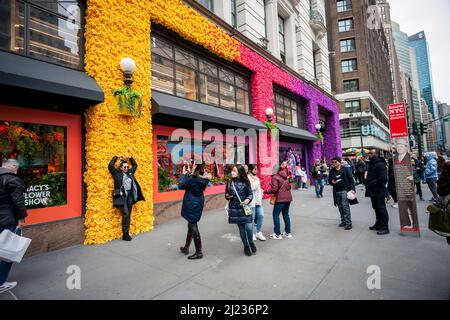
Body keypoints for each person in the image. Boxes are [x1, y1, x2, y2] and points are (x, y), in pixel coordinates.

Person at [0, 159, 28, 293]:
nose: (17, 170)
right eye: (16, 168)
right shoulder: (12, 179)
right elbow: (18, 201)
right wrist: (21, 218)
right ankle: (0, 283)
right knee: (8, 251)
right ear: (12, 167)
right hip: (7, 220)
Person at [108, 155, 145, 241]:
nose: (126, 168)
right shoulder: (116, 174)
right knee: (126, 214)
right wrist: (115, 157)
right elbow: (110, 166)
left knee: (128, 215)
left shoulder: (130, 172)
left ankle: (126, 233)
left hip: (130, 196)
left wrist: (130, 158)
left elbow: (135, 165)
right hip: (121, 196)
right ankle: (125, 234)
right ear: (121, 168)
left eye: (127, 167)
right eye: (124, 167)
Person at [179, 163, 211, 260]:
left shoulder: (193, 180)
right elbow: (191, 181)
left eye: (193, 166)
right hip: (198, 202)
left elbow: (181, 185)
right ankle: (186, 247)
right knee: (191, 224)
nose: (191, 166)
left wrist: (184, 174)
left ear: (196, 168)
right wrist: (190, 174)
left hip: (191, 203)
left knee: (193, 225)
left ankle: (199, 252)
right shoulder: (203, 179)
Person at [225, 164, 255, 256]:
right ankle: (246, 246)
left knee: (249, 228)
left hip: (245, 208)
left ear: (239, 172)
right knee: (241, 230)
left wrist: (247, 200)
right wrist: (227, 196)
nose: (232, 172)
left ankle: (251, 242)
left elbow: (250, 194)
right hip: (235, 209)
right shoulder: (230, 182)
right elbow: (226, 193)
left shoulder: (246, 182)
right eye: (232, 171)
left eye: (234, 171)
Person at [264, 161, 293, 240]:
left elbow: (275, 189)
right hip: (288, 198)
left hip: (280, 199)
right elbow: (289, 187)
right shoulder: (285, 176)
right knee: (286, 214)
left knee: (275, 215)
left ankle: (277, 234)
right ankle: (288, 233)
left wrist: (265, 191)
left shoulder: (275, 177)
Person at [366, 149, 390, 235]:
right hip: (373, 191)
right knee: (376, 208)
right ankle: (379, 224)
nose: (369, 154)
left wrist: (374, 183)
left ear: (376, 154)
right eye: (369, 153)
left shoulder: (380, 164)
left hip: (379, 190)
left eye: (371, 153)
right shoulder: (372, 163)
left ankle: (385, 227)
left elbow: (384, 178)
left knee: (381, 209)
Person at [329, 156, 355, 230]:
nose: (334, 163)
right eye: (333, 162)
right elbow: (330, 181)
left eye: (335, 162)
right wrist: (332, 182)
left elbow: (351, 179)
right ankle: (343, 221)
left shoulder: (345, 169)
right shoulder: (332, 171)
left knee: (345, 206)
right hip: (336, 191)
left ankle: (348, 223)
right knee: (340, 207)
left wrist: (353, 189)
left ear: (339, 162)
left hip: (345, 190)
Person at [247, 164, 266, 241]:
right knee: (252, 218)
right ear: (251, 170)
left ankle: (259, 232)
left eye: (257, 169)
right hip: (251, 201)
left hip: (258, 201)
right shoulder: (248, 178)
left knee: (261, 215)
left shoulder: (256, 178)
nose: (256, 171)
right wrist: (256, 183)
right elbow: (251, 187)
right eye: (255, 169)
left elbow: (257, 188)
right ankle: (251, 234)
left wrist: (261, 192)